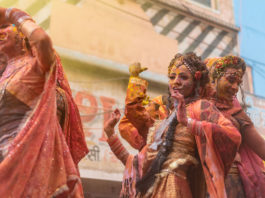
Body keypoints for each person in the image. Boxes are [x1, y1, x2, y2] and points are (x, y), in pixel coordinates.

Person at [105, 52, 242, 198]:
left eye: (183, 77)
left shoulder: (201, 107)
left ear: (196, 81)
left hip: (176, 188)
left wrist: (188, 122)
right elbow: (136, 162)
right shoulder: (164, 119)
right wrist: (109, 133)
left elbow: (232, 135)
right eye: (172, 77)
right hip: (153, 189)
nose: (176, 81)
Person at [0, 7, 88, 197]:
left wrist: (13, 14)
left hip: (25, 158)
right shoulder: (3, 74)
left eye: (6, 27)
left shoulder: (34, 67)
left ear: (23, 34)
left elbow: (43, 41)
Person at [206, 56, 265, 198]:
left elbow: (261, 147)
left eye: (238, 83)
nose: (235, 88)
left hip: (231, 181)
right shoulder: (193, 108)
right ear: (213, 77)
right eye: (231, 80)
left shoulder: (236, 113)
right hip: (198, 179)